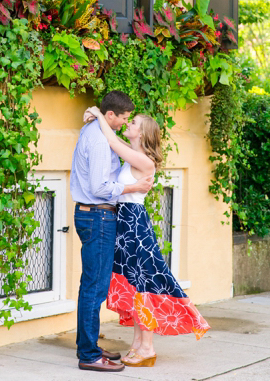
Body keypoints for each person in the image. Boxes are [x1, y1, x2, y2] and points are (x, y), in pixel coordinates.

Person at [84, 106, 211, 367]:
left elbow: (111, 140)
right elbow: (115, 139)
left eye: (134, 123)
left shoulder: (144, 161)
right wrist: (98, 120)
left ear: (142, 134)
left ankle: (148, 347)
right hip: (126, 223)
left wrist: (98, 114)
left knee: (142, 286)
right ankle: (138, 345)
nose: (128, 124)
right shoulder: (134, 155)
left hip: (134, 226)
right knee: (134, 286)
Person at [70, 90, 154, 373]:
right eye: (124, 118)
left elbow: (116, 146)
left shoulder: (101, 132)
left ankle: (89, 345)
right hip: (97, 217)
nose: (125, 122)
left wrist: (94, 112)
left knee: (93, 285)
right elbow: (99, 189)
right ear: (111, 115)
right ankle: (89, 355)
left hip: (98, 217)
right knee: (94, 288)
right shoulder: (97, 139)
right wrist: (132, 188)